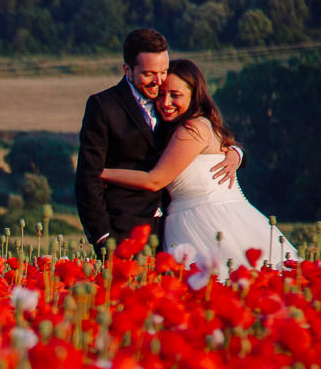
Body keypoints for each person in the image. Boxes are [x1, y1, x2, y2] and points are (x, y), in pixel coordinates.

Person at [99, 60, 293, 280]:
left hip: (209, 221)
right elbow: (229, 145)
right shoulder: (182, 127)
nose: (165, 102)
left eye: (175, 95)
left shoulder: (192, 128)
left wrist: (101, 173)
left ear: (194, 94)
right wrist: (237, 153)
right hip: (192, 218)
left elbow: (155, 180)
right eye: (161, 94)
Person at [75, 28, 242, 256]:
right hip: (123, 232)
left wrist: (236, 153)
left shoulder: (170, 101)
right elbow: (87, 178)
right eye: (149, 74)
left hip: (174, 231)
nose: (158, 81)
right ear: (128, 70)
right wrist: (103, 237)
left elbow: (209, 134)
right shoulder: (103, 106)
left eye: (163, 71)